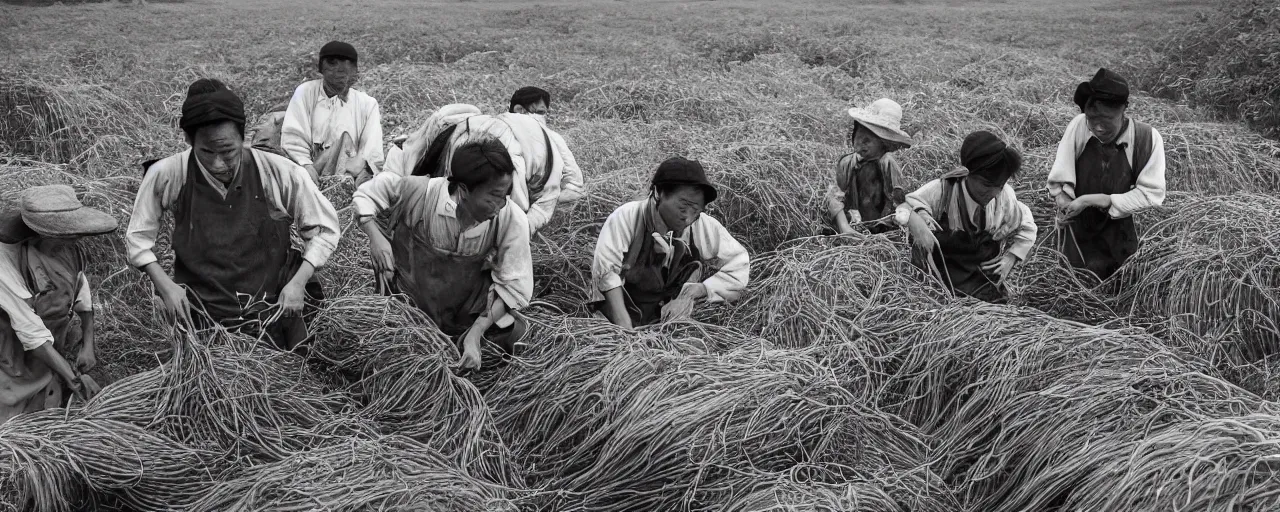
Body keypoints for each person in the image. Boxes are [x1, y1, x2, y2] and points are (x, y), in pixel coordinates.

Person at [127, 78, 340, 350]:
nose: (218, 164)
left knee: (295, 366)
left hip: (271, 302)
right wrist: (166, 286)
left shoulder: (276, 171)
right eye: (206, 152)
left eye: (228, 151)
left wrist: (298, 284)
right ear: (188, 139)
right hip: (203, 308)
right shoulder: (169, 174)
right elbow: (138, 238)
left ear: (243, 136)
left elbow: (324, 229)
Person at [353, 139, 533, 371]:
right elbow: (364, 197)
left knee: (515, 333)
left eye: (505, 195)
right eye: (493, 197)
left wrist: (475, 335)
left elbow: (512, 287)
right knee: (384, 353)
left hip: (465, 315)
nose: (501, 204)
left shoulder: (510, 218)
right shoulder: (419, 194)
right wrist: (375, 237)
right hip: (409, 308)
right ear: (465, 190)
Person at [0, 185, 115, 421]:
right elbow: (30, 331)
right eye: (68, 235)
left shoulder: (69, 250)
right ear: (43, 233)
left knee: (48, 396)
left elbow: (81, 292)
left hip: (50, 343)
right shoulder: (5, 261)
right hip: (13, 342)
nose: (75, 239)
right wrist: (74, 378)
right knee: (14, 403)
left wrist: (88, 345)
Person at [591, 157, 750, 328]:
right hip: (621, 315)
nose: (688, 217)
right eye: (683, 208)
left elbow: (739, 263)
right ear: (659, 193)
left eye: (695, 210)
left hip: (670, 319)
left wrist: (698, 291)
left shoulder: (701, 225)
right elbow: (607, 274)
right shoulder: (627, 217)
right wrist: (625, 330)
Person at [1048, 68, 1166, 280]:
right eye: (1092, 118)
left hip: (1119, 231)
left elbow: (1152, 194)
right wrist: (1063, 201)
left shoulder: (1146, 139)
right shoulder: (1078, 126)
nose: (1098, 127)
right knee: (1073, 284)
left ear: (1123, 110)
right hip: (1078, 230)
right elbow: (1060, 177)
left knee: (1118, 285)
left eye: (1106, 119)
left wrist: (1097, 200)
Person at [894, 131, 1036, 303]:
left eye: (999, 185)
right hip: (940, 281)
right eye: (986, 185)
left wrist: (1010, 258)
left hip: (982, 283)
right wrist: (920, 218)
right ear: (968, 173)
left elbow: (1027, 226)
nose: (993, 193)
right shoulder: (942, 191)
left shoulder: (1004, 197)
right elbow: (906, 206)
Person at [389, 105, 571, 233]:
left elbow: (537, 210)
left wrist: (517, 232)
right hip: (468, 132)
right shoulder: (461, 140)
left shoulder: (542, 166)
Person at [280, 41, 384, 183]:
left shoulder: (367, 104)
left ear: (355, 71)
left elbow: (371, 150)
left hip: (351, 172)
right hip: (309, 170)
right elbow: (294, 135)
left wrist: (357, 169)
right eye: (332, 65)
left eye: (346, 67)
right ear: (321, 69)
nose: (339, 73)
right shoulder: (306, 92)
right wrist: (305, 164)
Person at [826, 98, 911, 235]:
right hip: (853, 225)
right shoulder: (847, 163)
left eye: (867, 141)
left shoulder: (887, 163)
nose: (861, 145)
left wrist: (885, 226)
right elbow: (835, 196)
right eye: (859, 138)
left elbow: (897, 200)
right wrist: (845, 227)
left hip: (883, 229)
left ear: (884, 142)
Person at [508, 86, 585, 203]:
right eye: (539, 112)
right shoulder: (498, 134)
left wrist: (546, 202)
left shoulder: (552, 139)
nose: (541, 118)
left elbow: (574, 185)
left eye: (542, 113)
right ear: (519, 110)